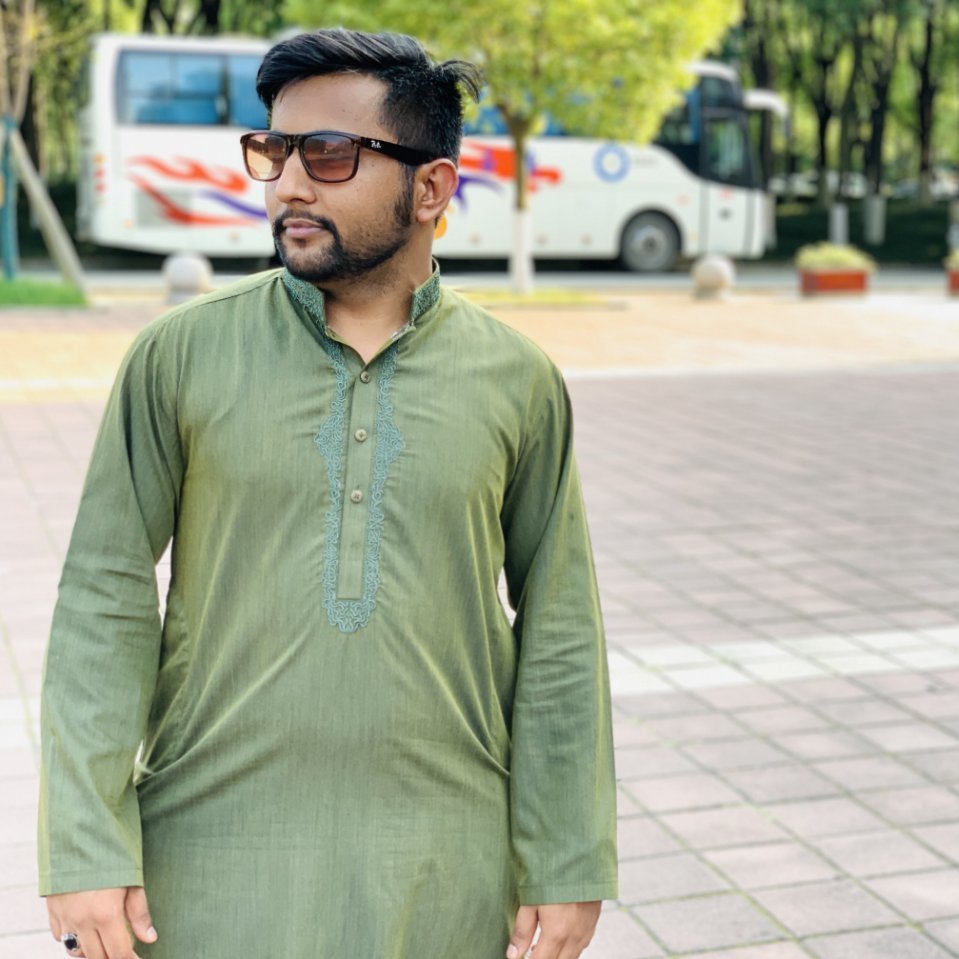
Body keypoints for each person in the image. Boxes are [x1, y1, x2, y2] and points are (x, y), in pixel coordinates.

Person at [39, 27, 617, 959]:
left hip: (447, 871)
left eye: (330, 154)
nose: (288, 187)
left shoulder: (517, 379)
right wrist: (85, 840)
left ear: (430, 188)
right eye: (274, 152)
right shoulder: (180, 355)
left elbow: (560, 628)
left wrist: (565, 855)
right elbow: (102, 598)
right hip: (204, 866)